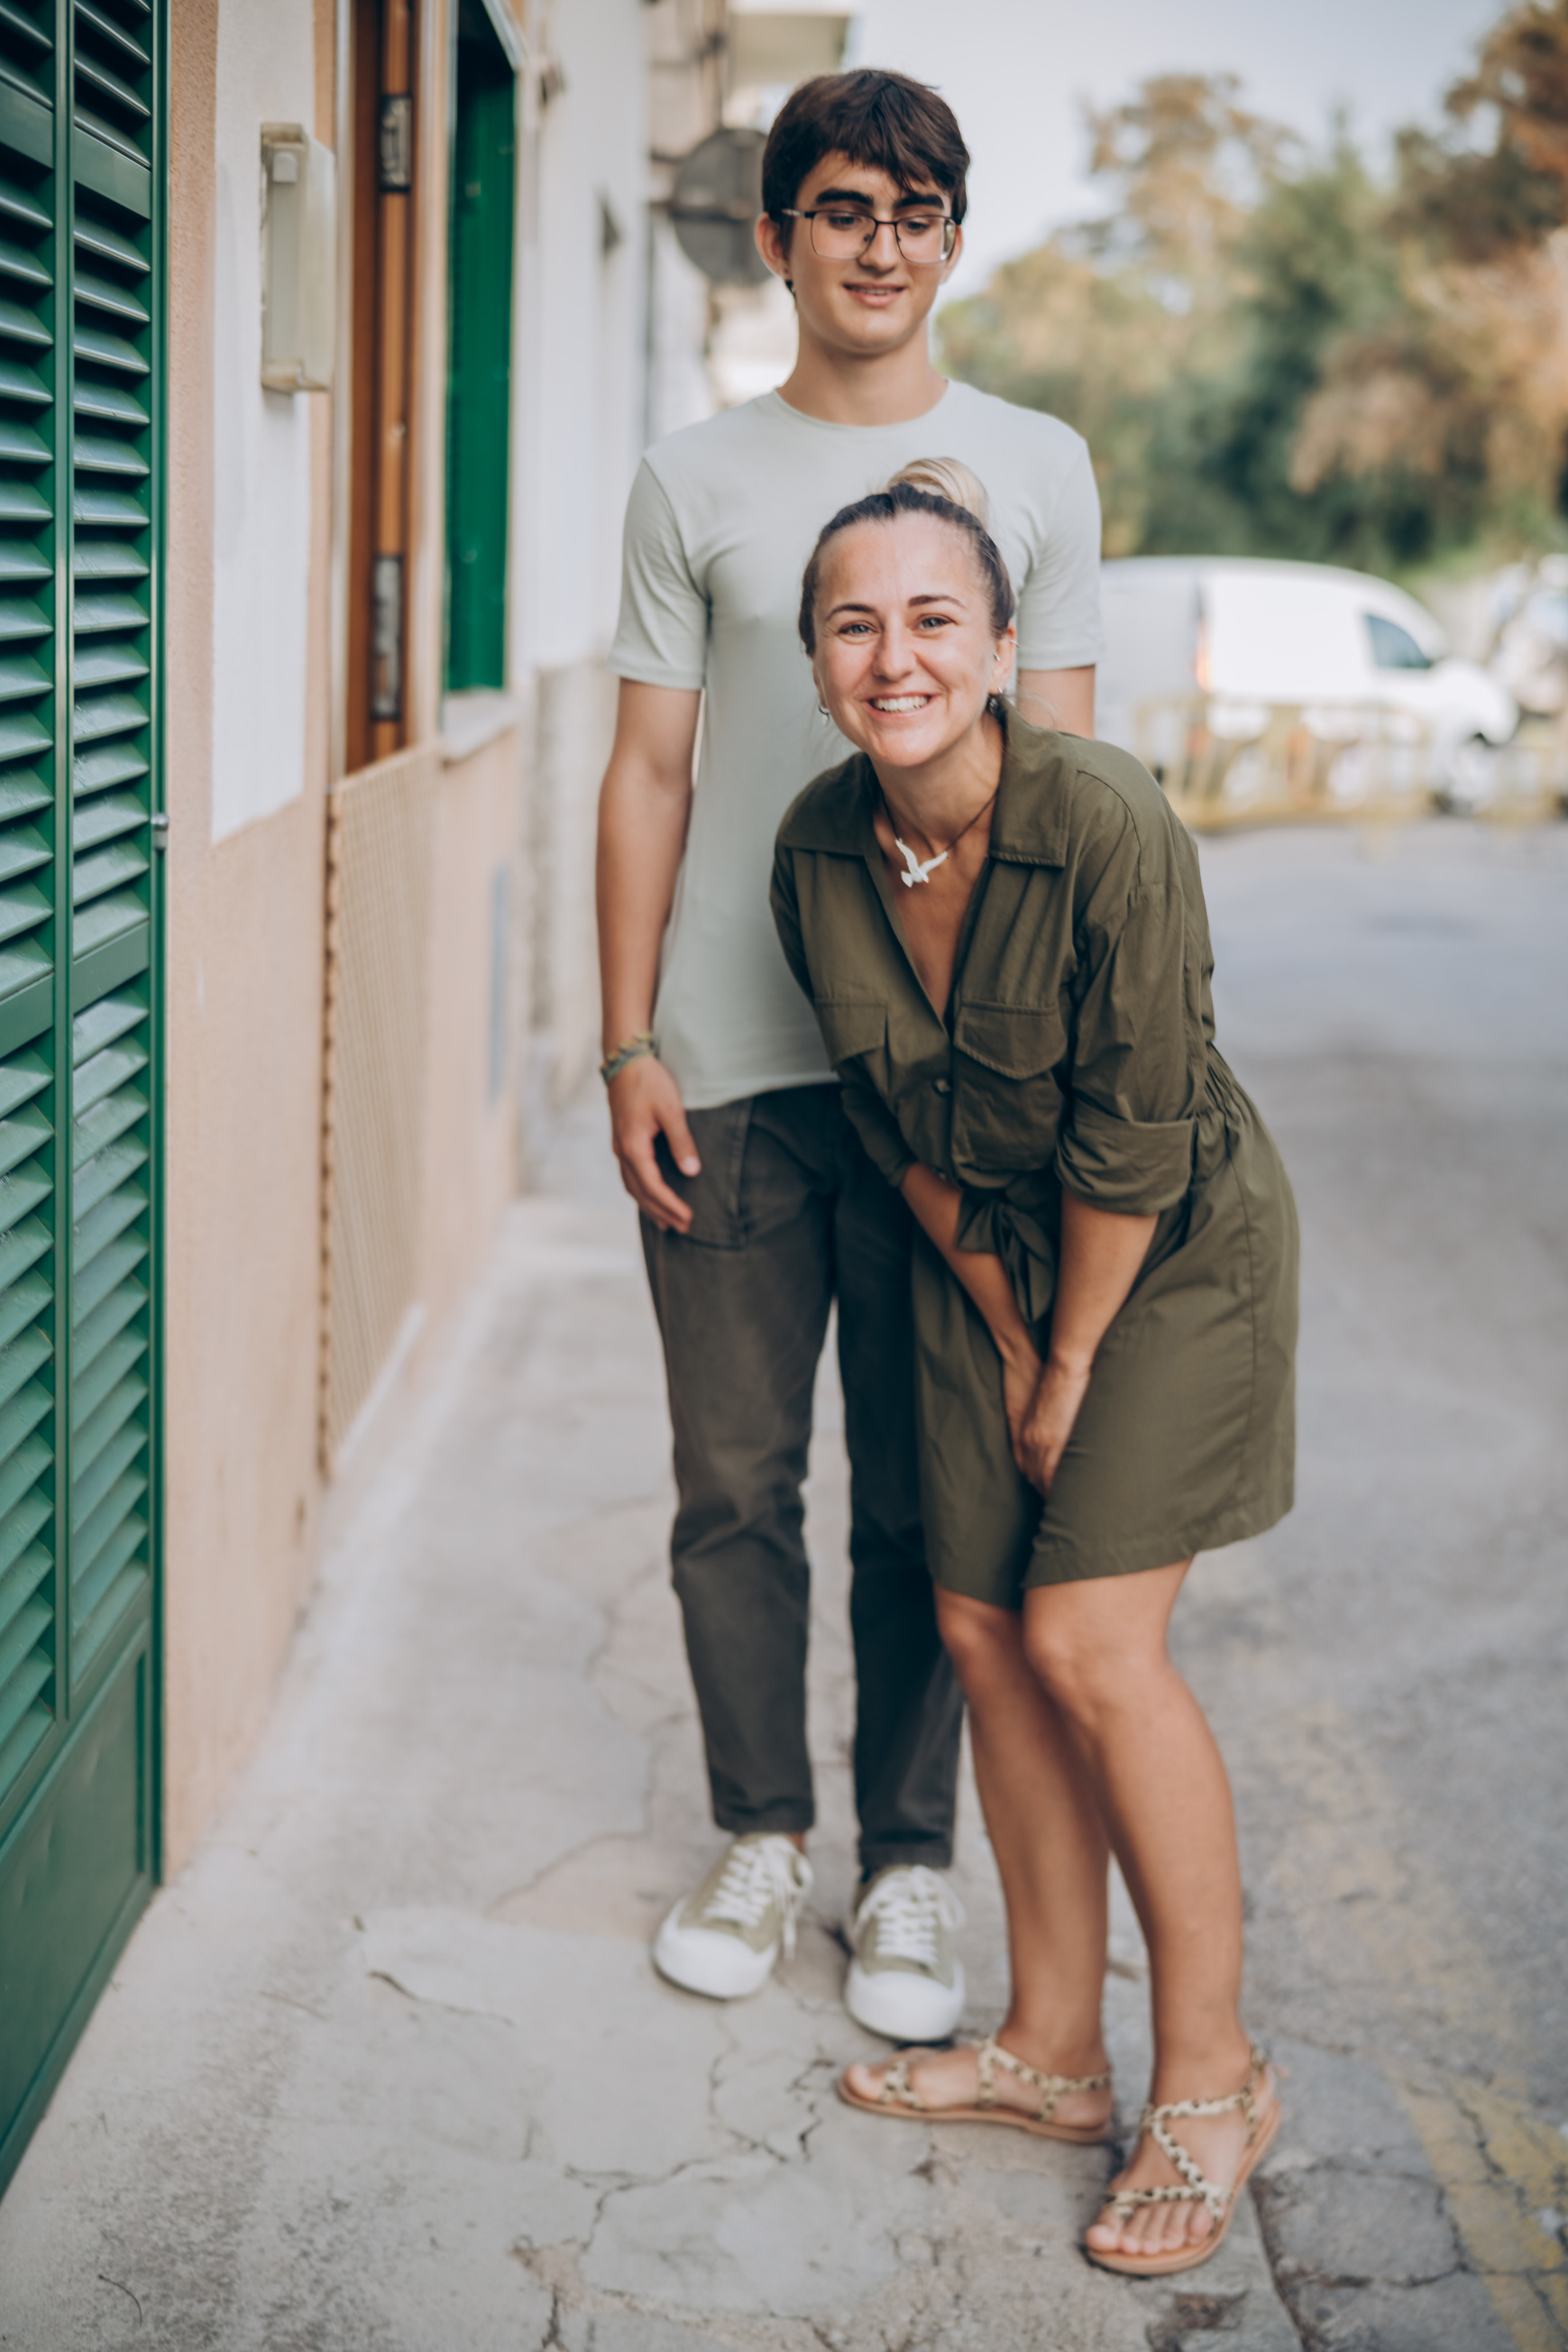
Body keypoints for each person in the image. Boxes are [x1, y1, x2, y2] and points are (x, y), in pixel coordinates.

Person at [597, 68, 1104, 2037]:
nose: (876, 246)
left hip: (953, 1084)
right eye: (837, 210)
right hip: (729, 1059)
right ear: (775, 236)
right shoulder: (691, 480)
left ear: (950, 238)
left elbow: (1056, 790)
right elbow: (651, 771)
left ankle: (908, 1870)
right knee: (734, 1483)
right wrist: (628, 1033)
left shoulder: (1037, 464)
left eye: (911, 212)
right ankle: (758, 1830)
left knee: (923, 1492)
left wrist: (1044, 1083)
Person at [769, 469, 1298, 2278]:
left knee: (1089, 1639)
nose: (893, 655)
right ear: (818, 658)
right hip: (975, 1255)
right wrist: (1003, 1325)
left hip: (1164, 1249)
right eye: (856, 622)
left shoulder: (1109, 821)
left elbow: (1139, 1136)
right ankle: (1055, 2052)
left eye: (933, 620)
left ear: (1001, 648)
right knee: (982, 1625)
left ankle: (1212, 2082)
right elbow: (879, 1106)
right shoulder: (817, 848)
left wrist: (1069, 1356)